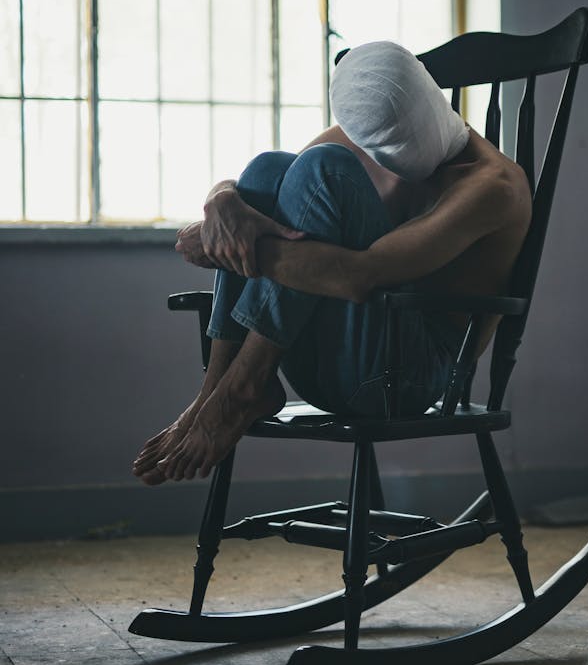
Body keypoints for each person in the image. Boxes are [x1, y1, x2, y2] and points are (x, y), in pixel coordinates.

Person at [132, 40, 531, 486]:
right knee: (268, 168)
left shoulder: (493, 186)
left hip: (399, 379)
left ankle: (241, 386)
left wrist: (234, 247)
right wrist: (222, 203)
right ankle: (222, 387)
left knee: (325, 167)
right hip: (329, 359)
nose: (390, 155)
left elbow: (360, 278)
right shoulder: (366, 132)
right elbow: (268, 189)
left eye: (397, 142)